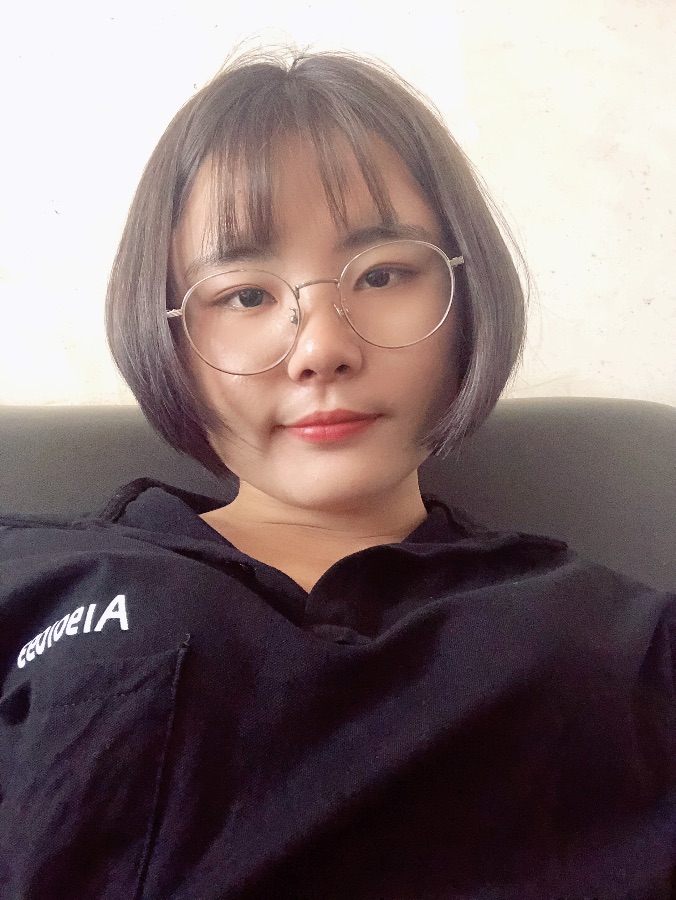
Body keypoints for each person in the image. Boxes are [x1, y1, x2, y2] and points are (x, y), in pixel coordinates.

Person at [0, 47, 674, 900]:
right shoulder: (36, 577)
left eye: (384, 274)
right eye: (245, 295)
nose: (322, 348)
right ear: (168, 334)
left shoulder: (631, 641)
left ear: (466, 301)